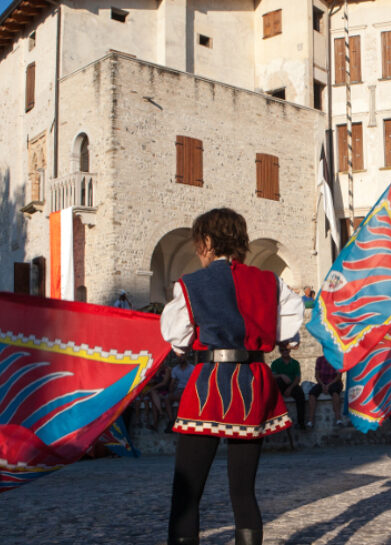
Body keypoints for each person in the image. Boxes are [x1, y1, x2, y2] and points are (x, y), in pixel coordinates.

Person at [159, 207, 304, 545]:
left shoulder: (191, 284)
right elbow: (288, 333)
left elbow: (177, 339)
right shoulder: (272, 282)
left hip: (210, 384)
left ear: (207, 241)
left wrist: (187, 345)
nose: (199, 251)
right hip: (253, 382)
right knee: (243, 492)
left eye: (199, 244)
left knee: (187, 491)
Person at [270, 345, 306, 430]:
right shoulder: (275, 363)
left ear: (289, 351)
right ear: (280, 351)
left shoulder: (295, 363)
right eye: (282, 350)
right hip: (280, 385)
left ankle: (301, 422)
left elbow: (298, 378)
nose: (284, 352)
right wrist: (282, 375)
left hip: (292, 385)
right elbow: (272, 376)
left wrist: (290, 389)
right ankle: (273, 419)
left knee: (300, 395)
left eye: (286, 350)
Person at [306, 355, 343, 428]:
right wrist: (322, 385)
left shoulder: (337, 359)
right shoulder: (320, 360)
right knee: (312, 393)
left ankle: (338, 419)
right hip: (322, 382)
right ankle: (310, 420)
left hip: (334, 382)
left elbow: (339, 376)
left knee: (335, 393)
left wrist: (328, 385)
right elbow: (317, 375)